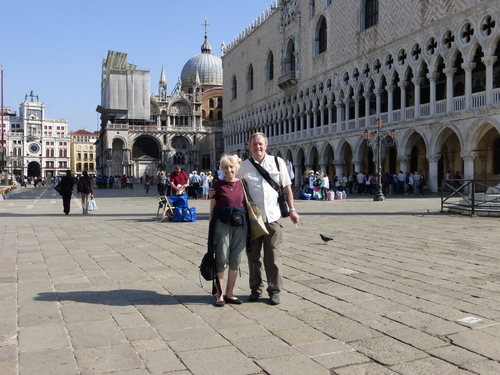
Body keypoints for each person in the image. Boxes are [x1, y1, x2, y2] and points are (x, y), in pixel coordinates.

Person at [237, 132, 300, 305]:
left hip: (273, 217)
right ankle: (255, 289)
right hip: (253, 219)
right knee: (253, 256)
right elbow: (234, 187)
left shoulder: (278, 163)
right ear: (249, 147)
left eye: (260, 144)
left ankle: (274, 291)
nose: (258, 147)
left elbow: (287, 188)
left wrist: (292, 210)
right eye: (254, 144)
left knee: (273, 256)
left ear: (266, 145)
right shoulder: (243, 167)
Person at [209, 154, 248, 307]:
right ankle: (219, 294)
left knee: (236, 257)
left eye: (231, 167)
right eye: (225, 167)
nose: (229, 170)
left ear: (236, 168)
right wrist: (211, 224)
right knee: (221, 256)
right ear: (222, 169)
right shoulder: (217, 185)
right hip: (222, 223)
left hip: (240, 224)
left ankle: (230, 293)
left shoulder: (243, 184)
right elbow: (212, 205)